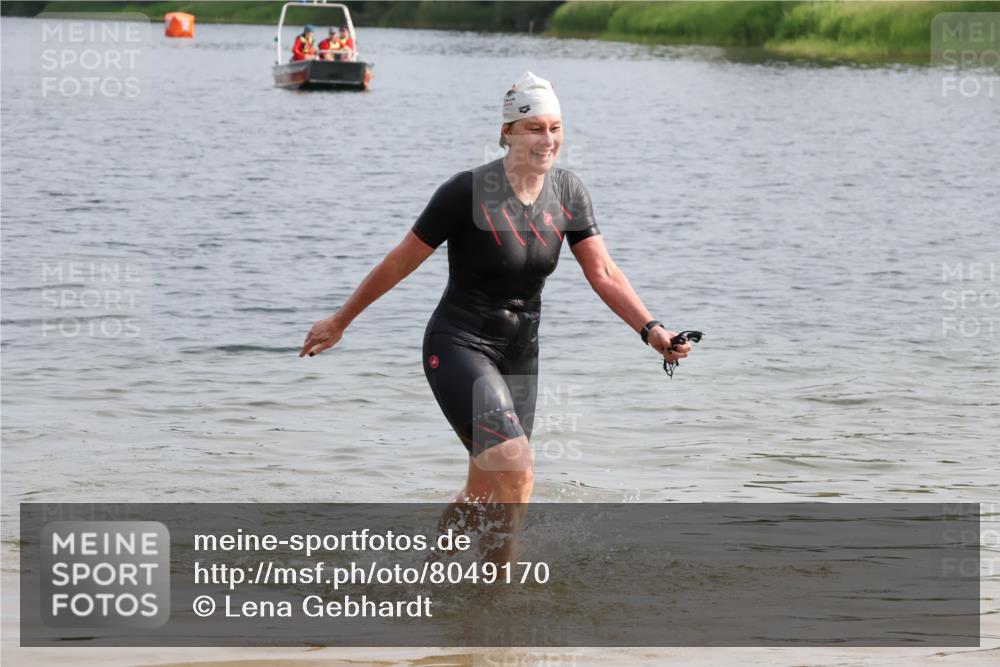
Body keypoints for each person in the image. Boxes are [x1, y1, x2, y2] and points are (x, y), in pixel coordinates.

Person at [299, 71, 693, 561]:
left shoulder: (568, 193)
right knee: (517, 469)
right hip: (460, 345)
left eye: (555, 128)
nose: (547, 140)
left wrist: (652, 330)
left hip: (520, 355)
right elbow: (400, 261)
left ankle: (430, 574)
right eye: (534, 128)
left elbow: (604, 272)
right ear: (507, 131)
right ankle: (497, 593)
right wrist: (341, 320)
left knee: (485, 492)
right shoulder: (467, 191)